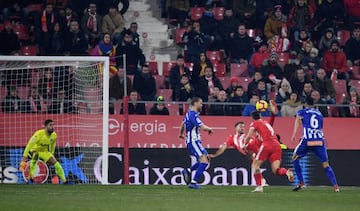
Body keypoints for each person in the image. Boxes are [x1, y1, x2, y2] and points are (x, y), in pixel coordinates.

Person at [290, 97, 340, 192]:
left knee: (294, 158)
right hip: (319, 141)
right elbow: (320, 127)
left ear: (305, 104)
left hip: (308, 140)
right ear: (314, 104)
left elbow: (298, 121)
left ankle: (302, 183)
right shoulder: (319, 114)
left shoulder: (302, 112)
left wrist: (294, 134)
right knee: (325, 164)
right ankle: (336, 186)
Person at [243, 110, 294, 192]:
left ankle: (259, 187)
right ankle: (286, 172)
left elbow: (248, 136)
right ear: (260, 116)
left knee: (255, 166)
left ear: (252, 117)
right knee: (276, 170)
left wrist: (244, 144)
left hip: (267, 145)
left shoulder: (254, 123)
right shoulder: (266, 123)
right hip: (277, 145)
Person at [19, 119, 70, 184]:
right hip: (34, 150)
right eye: (50, 125)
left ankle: (65, 181)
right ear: (45, 127)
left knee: (56, 163)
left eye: (53, 125)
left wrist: (51, 156)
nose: (52, 127)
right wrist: (24, 159)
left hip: (44, 151)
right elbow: (29, 146)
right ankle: (30, 179)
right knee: (35, 157)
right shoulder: (38, 134)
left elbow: (52, 146)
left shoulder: (54, 135)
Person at [179, 97, 213, 189]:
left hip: (194, 141)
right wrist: (209, 129)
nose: (202, 105)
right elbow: (201, 126)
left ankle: (188, 171)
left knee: (206, 158)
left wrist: (180, 134)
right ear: (195, 104)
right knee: (204, 161)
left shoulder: (188, 114)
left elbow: (182, 124)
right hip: (193, 141)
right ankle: (193, 182)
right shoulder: (193, 114)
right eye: (200, 103)